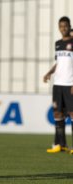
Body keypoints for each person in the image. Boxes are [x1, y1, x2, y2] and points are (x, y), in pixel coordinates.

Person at [43, 16, 73, 153]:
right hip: (58, 83)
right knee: (58, 113)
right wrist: (49, 72)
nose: (63, 28)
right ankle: (61, 145)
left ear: (69, 26)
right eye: (61, 26)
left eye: (66, 26)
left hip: (70, 83)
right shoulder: (58, 43)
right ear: (59, 27)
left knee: (72, 113)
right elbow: (59, 63)